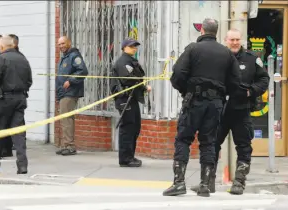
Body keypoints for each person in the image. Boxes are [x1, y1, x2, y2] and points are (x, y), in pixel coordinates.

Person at [163, 18, 242, 197]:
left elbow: (177, 75)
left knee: (183, 139)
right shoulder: (227, 53)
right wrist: (221, 94)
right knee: (208, 142)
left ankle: (179, 183)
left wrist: (187, 92)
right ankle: (205, 184)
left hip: (194, 102)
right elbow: (236, 81)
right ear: (216, 32)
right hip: (215, 104)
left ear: (202, 31)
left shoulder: (192, 49)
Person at [191, 29, 270, 195]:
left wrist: (251, 91)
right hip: (219, 109)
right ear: (225, 40)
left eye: (237, 39)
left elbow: (264, 79)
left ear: (241, 40)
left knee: (243, 146)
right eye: (231, 39)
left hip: (241, 109)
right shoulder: (218, 57)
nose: (234, 42)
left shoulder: (251, 59)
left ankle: (239, 183)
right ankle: (207, 182)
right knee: (211, 144)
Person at [0, 35, 32, 175]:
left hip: (5, 100)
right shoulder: (23, 59)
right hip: (21, 98)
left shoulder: (0, 59)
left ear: (2, 46)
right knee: (19, 133)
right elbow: (29, 81)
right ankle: (22, 166)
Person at [110, 38, 151, 167]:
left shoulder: (131, 61)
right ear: (124, 48)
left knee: (134, 127)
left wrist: (142, 86)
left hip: (131, 98)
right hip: (124, 99)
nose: (134, 48)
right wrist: (144, 87)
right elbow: (129, 80)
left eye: (135, 46)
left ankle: (130, 156)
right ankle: (125, 158)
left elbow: (136, 78)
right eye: (132, 46)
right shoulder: (123, 62)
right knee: (128, 128)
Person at [55, 36, 88, 156]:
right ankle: (65, 145)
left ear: (69, 43)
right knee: (65, 119)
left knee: (67, 118)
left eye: (63, 43)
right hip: (63, 92)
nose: (61, 46)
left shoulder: (74, 56)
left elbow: (83, 71)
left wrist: (71, 81)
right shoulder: (65, 57)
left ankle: (69, 146)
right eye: (59, 44)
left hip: (70, 92)